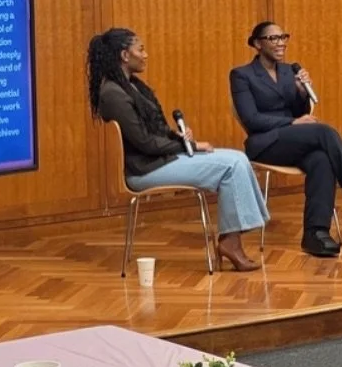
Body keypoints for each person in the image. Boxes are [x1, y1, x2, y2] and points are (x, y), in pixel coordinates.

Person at [87, 27, 267, 272]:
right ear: (124, 56)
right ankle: (231, 242)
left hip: (160, 159)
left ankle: (232, 237)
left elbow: (153, 133)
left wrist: (177, 136)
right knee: (232, 166)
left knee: (238, 157)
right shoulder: (113, 94)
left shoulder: (131, 86)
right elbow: (144, 142)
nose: (146, 54)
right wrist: (189, 145)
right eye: (141, 49)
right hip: (145, 170)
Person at [230, 21, 342, 258]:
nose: (281, 42)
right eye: (273, 38)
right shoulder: (242, 75)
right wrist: (291, 122)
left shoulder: (289, 70)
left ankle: (316, 234)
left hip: (293, 140)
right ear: (257, 44)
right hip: (265, 143)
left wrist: (302, 92)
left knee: (321, 159)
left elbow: (297, 110)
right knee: (323, 131)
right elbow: (251, 119)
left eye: (283, 37)